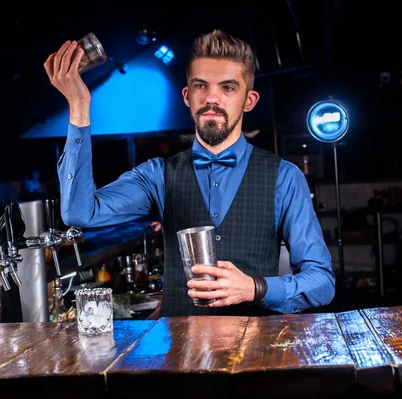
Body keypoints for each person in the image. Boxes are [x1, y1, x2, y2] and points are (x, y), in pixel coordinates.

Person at [43, 29, 335, 317]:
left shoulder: (284, 177)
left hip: (256, 355)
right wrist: (79, 106)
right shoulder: (157, 175)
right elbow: (80, 213)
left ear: (249, 100)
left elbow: (322, 282)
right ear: (187, 95)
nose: (212, 98)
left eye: (228, 88)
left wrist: (256, 288)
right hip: (180, 357)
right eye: (201, 86)